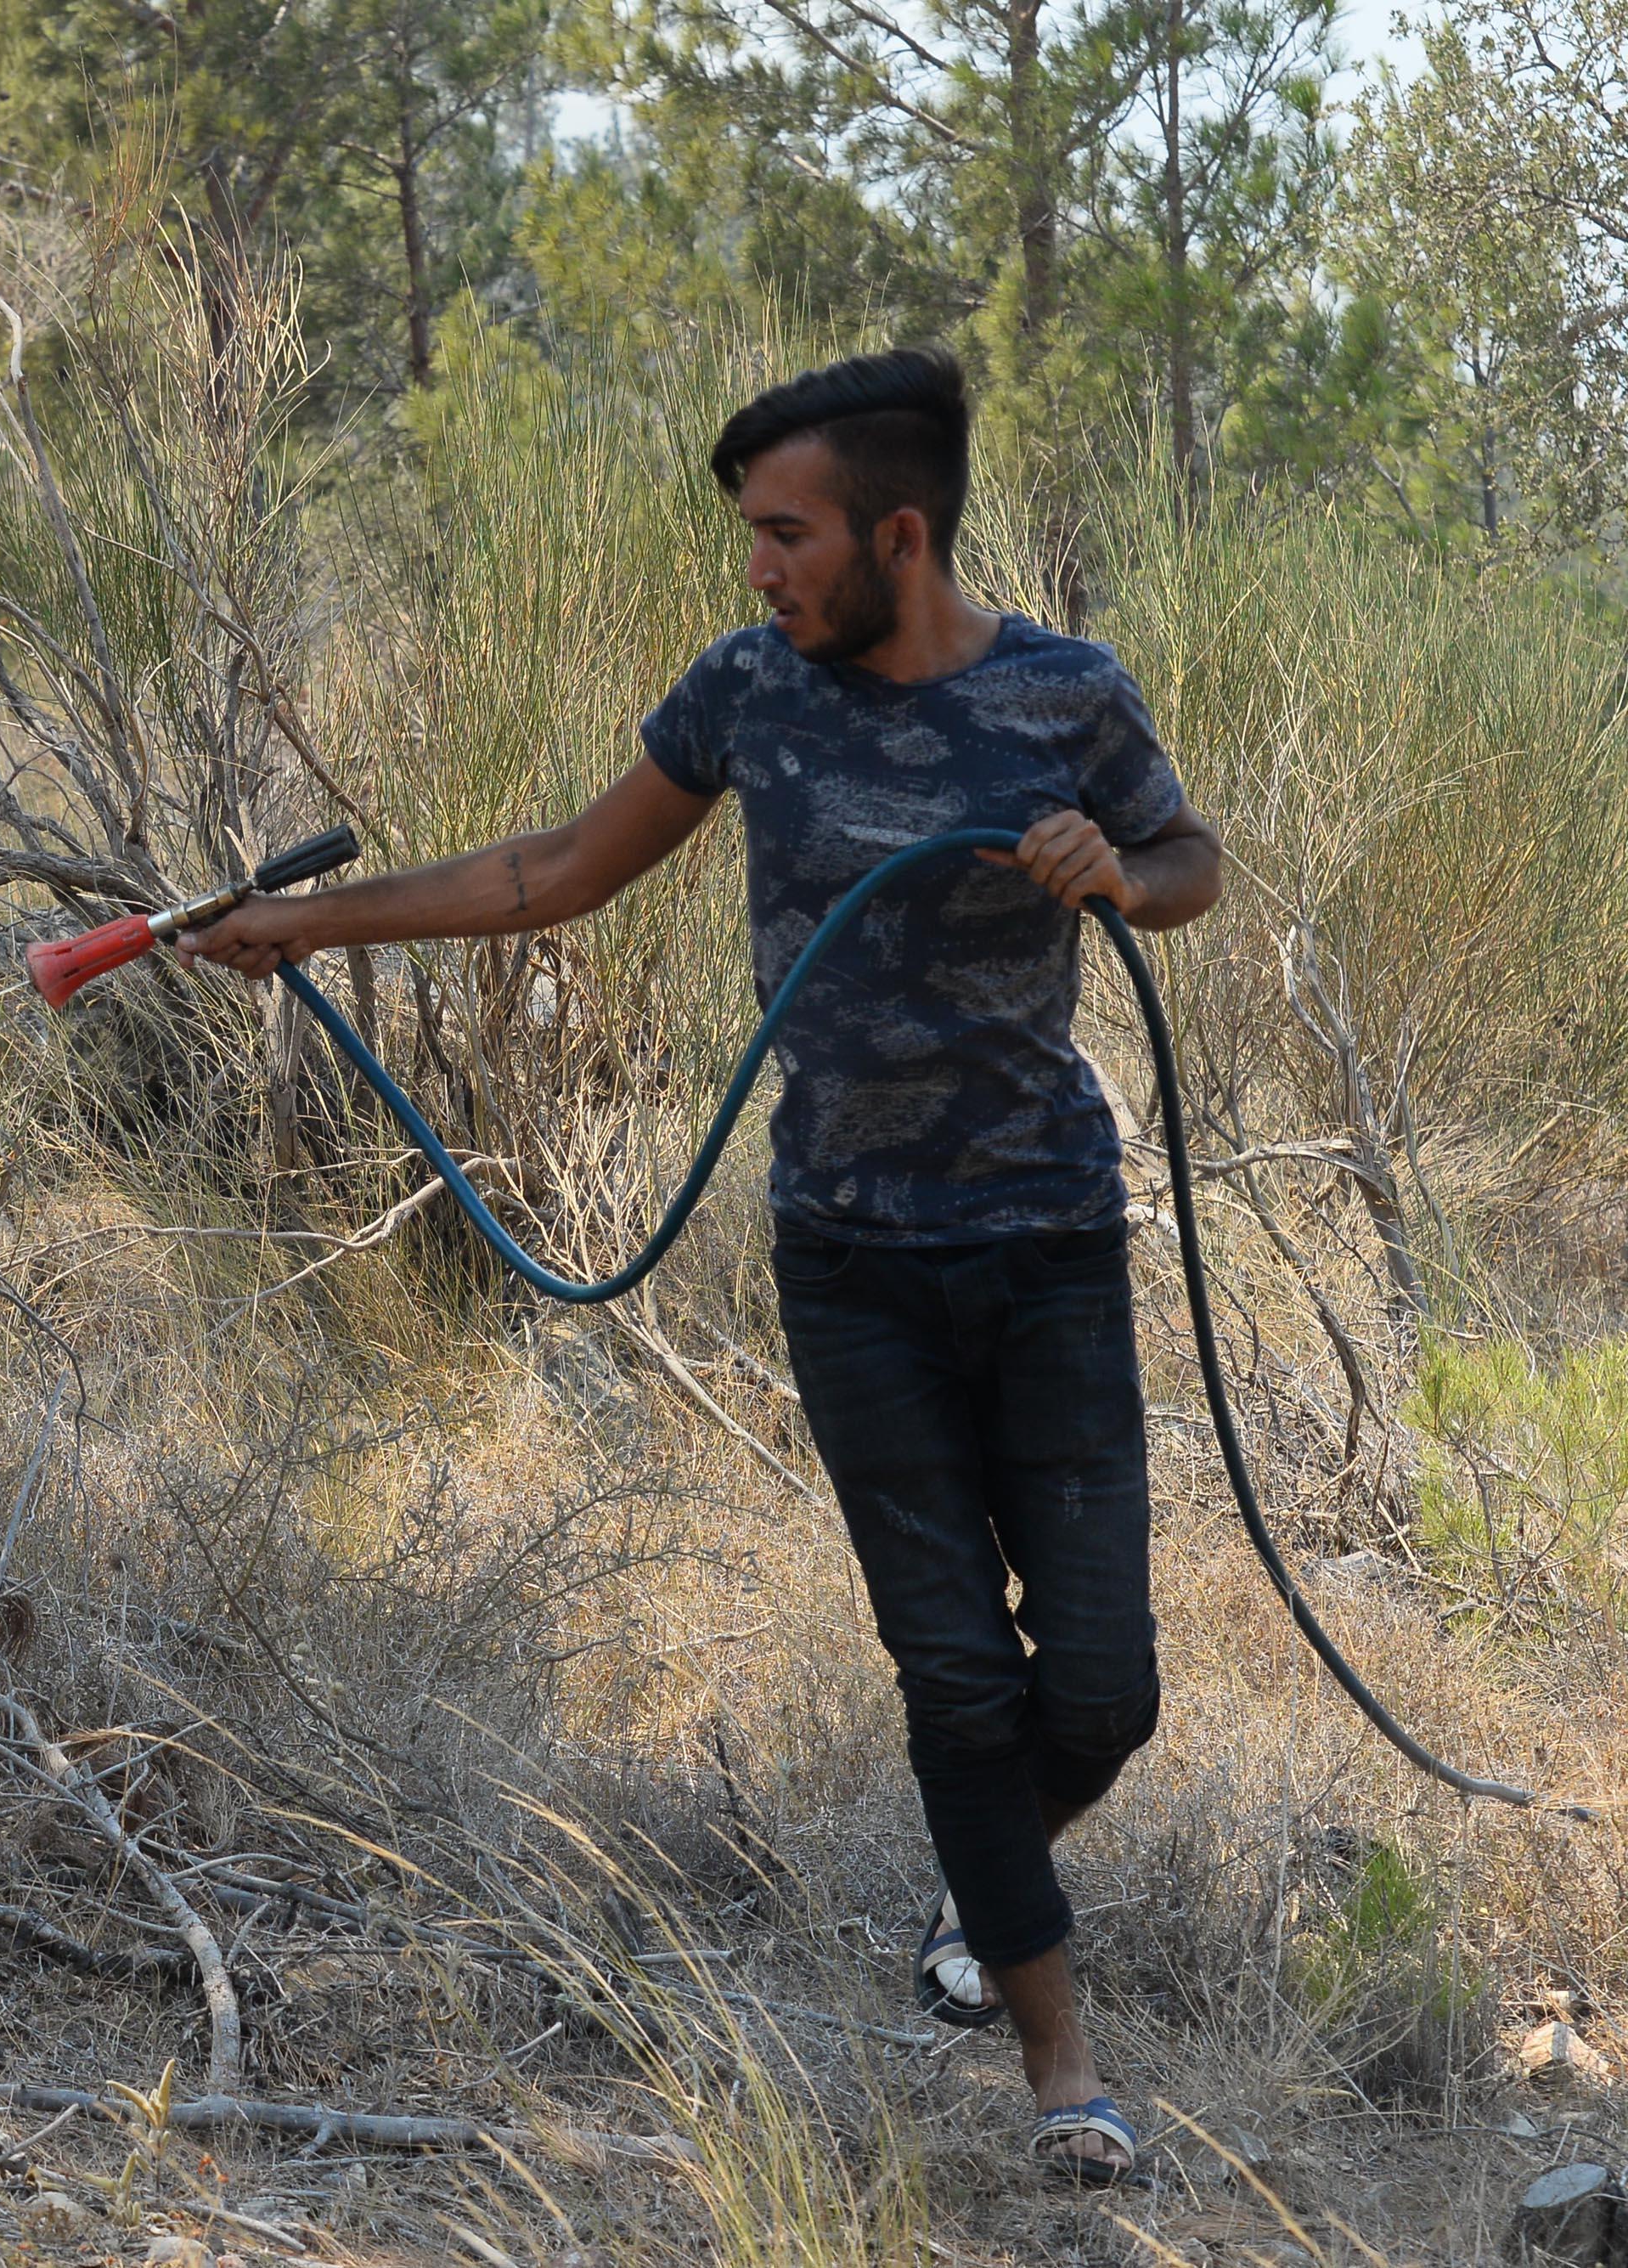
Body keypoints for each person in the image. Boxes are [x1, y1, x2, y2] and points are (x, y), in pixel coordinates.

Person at [176, 344, 1220, 2185]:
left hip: (1050, 1245)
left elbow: (1189, 855)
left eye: (787, 534)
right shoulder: (748, 691)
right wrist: (306, 925)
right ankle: (1060, 2064)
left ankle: (980, 1884)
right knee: (956, 1675)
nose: (758, 568)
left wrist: (1121, 873)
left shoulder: (1066, 693)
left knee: (1101, 1691)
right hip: (850, 1264)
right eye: (753, 533)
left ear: (900, 537)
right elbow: (553, 871)